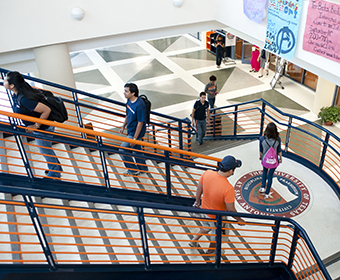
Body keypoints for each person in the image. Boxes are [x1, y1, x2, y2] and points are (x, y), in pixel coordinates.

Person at [3, 71, 63, 179]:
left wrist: (36, 126)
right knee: (46, 148)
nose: (4, 81)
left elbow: (46, 110)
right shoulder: (17, 94)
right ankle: (55, 168)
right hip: (42, 127)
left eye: (6, 80)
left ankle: (55, 173)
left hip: (43, 128)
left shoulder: (25, 99)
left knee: (45, 150)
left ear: (12, 85)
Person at [189, 155, 245, 254]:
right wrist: (239, 219)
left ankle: (194, 240)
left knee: (206, 226)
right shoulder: (228, 189)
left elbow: (199, 189)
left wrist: (197, 202)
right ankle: (211, 252)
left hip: (204, 209)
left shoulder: (207, 173)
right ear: (231, 171)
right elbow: (231, 210)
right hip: (217, 217)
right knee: (217, 235)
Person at [119, 83, 148, 176]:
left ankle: (133, 170)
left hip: (136, 133)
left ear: (133, 93)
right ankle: (143, 168)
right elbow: (128, 114)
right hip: (130, 130)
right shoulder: (128, 101)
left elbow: (140, 123)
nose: (124, 93)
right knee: (137, 150)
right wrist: (123, 126)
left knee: (123, 150)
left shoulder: (140, 105)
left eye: (126, 91)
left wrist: (134, 139)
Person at [259, 122, 282, 199]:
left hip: (265, 159)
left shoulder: (262, 139)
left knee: (265, 171)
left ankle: (262, 187)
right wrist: (280, 158)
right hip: (274, 160)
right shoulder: (278, 139)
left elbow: (261, 150)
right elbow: (279, 150)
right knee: (270, 176)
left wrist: (260, 157)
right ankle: (267, 192)